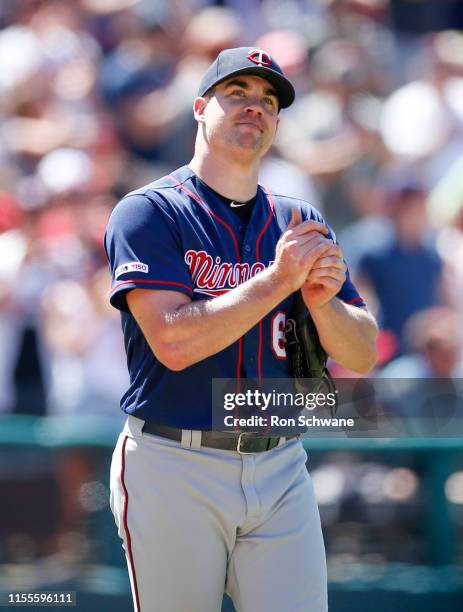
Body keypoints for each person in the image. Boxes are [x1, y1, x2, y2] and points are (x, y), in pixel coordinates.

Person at [105, 47, 378, 612]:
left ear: (277, 125)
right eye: (238, 94)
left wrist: (323, 304)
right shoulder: (149, 211)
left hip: (280, 462)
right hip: (176, 461)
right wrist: (281, 280)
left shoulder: (301, 220)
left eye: (268, 101)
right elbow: (175, 343)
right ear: (201, 108)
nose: (255, 108)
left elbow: (364, 350)